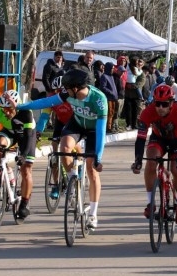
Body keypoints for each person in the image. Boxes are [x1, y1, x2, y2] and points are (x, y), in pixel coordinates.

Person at [11, 68, 108, 229]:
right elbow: (46, 103)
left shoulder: (99, 100)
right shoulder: (68, 94)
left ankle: (93, 215)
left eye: (67, 88)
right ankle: (72, 178)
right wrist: (21, 106)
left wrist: (98, 157)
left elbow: (101, 131)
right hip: (76, 123)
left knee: (92, 169)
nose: (64, 91)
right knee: (64, 147)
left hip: (93, 129)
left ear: (76, 88)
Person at [131, 84, 177, 225]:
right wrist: (138, 160)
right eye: (158, 103)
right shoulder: (148, 112)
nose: (161, 108)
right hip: (159, 139)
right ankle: (150, 203)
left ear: (171, 103)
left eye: (164, 104)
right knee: (150, 160)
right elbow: (140, 138)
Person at [0, 90, 37, 220]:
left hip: (26, 136)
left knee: (26, 169)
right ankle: (5, 170)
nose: (6, 112)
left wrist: (23, 155)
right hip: (10, 133)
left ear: (16, 105)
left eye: (9, 109)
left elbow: (28, 137)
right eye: (4, 109)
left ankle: (24, 204)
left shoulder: (26, 113)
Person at [35, 74, 75, 200]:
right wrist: (38, 131)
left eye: (60, 90)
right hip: (60, 123)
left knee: (73, 146)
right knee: (54, 154)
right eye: (55, 90)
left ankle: (77, 166)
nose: (57, 93)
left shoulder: (72, 98)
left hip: (73, 123)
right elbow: (44, 116)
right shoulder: (52, 98)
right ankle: (56, 184)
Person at [94, 60, 118, 131]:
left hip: (114, 98)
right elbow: (103, 87)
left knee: (113, 113)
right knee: (109, 113)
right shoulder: (104, 76)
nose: (113, 70)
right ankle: (108, 127)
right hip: (108, 98)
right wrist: (111, 92)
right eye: (112, 68)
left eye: (113, 68)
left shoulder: (111, 76)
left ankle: (111, 126)